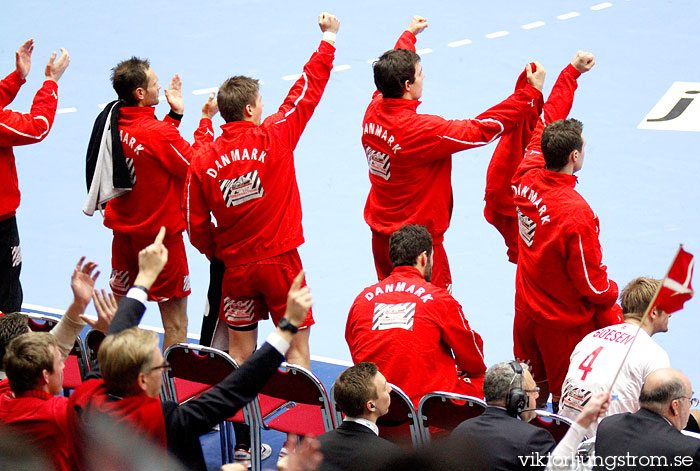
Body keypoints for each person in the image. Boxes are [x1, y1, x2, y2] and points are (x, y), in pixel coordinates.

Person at [184, 12, 339, 461]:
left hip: (237, 269)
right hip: (283, 264)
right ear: (252, 109)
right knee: (298, 351)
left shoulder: (203, 159)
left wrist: (221, 252)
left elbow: (194, 222)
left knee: (240, 358)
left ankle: (243, 448)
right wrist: (327, 40)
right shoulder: (275, 136)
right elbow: (307, 91)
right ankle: (294, 444)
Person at [67, 227, 314, 471]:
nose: (163, 369)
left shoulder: (85, 395)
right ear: (142, 379)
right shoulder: (166, 423)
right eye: (160, 365)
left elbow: (115, 340)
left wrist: (144, 279)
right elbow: (236, 388)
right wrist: (287, 328)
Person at [362, 16, 545, 291]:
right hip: (418, 246)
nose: (424, 76)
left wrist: (409, 35)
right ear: (407, 86)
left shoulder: (375, 107)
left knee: (392, 301)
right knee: (435, 312)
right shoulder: (420, 130)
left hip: (381, 237)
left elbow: (391, 73)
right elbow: (481, 130)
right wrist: (528, 95)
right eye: (420, 72)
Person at [511, 51, 621, 409]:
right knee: (567, 401)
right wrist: (613, 295)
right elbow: (591, 284)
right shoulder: (576, 214)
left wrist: (571, 74)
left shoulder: (526, 171)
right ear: (574, 157)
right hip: (560, 324)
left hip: (526, 307)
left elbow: (547, 118)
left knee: (527, 392)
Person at [93, 57, 193, 350]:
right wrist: (203, 125)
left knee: (121, 318)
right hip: (160, 242)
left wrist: (173, 117)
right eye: (154, 83)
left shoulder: (111, 122)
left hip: (123, 237)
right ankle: (166, 390)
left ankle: (109, 380)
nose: (159, 86)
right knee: (176, 324)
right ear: (140, 94)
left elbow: (149, 151)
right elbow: (192, 166)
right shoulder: (157, 134)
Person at [346, 224, 486, 405]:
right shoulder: (440, 299)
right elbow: (474, 361)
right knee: (481, 378)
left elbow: (356, 350)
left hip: (375, 411)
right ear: (424, 258)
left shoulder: (361, 300)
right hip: (427, 415)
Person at [0, 258, 104, 471]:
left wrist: (78, 305)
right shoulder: (60, 415)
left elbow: (58, 342)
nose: (64, 365)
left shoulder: (7, 391)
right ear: (44, 374)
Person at [0, 39, 69, 313]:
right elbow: (37, 127)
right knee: (7, 298)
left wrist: (16, 79)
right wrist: (51, 82)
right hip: (1, 226)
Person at [448, 361, 610, 471]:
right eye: (534, 392)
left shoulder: (461, 430)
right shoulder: (532, 439)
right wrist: (582, 424)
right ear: (518, 399)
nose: (538, 397)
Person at [559, 277, 672, 433]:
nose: (670, 314)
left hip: (566, 437)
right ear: (653, 312)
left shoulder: (590, 338)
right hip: (608, 445)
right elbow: (662, 417)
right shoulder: (654, 354)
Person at [595, 368, 700, 469]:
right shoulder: (689, 451)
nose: (690, 405)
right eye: (690, 400)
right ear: (675, 406)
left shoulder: (608, 426)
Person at [317, 362, 398, 471]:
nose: (390, 389)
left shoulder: (315, 447)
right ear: (371, 406)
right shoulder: (391, 456)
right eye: (384, 388)